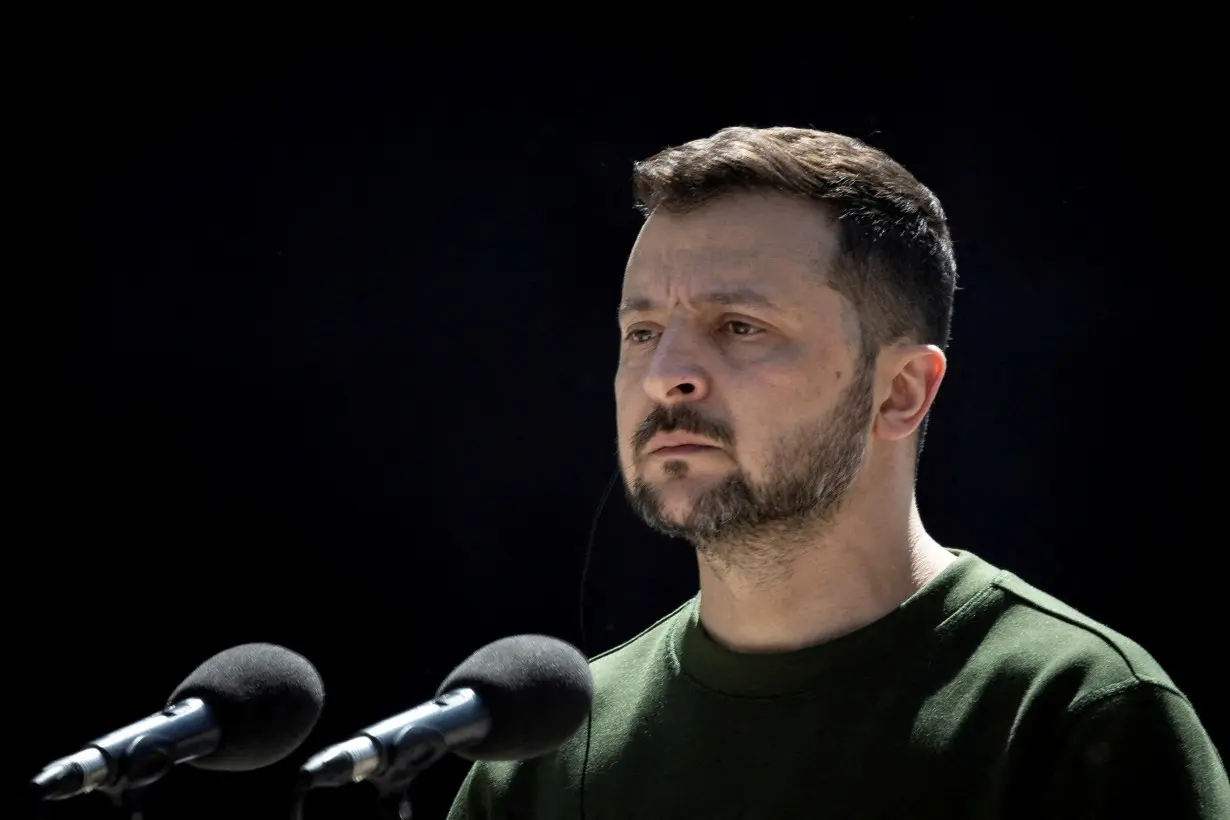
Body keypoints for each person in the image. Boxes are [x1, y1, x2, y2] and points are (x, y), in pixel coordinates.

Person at [446, 126, 1229, 819]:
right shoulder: (541, 754)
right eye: (643, 331)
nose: (666, 375)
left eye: (740, 327)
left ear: (900, 392)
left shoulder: (1072, 715)